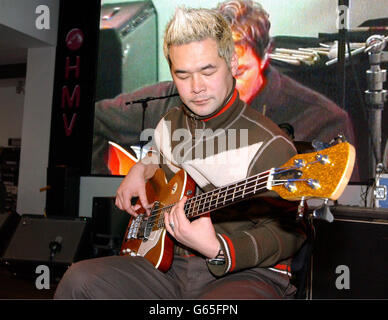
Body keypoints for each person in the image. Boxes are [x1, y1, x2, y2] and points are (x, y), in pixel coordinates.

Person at [54, 6, 306, 299]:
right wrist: (142, 167)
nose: (196, 87)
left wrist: (218, 248)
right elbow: (163, 158)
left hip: (245, 274)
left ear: (233, 63)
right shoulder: (171, 122)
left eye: (207, 71)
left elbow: (292, 233)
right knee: (79, 280)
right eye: (182, 75)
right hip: (168, 266)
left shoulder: (271, 144)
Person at [92, 0, 358, 180]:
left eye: (239, 72)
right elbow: (90, 119)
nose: (218, 86)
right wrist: (113, 187)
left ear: (266, 57)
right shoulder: (171, 97)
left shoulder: (321, 119)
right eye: (213, 70)